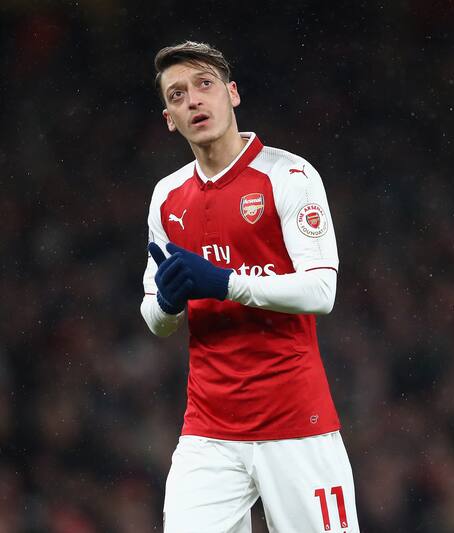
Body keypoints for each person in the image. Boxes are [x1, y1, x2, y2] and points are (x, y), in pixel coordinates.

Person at [139, 41, 359, 533]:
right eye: (178, 95)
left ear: (232, 95)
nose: (194, 100)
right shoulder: (167, 198)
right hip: (209, 432)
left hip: (295, 423)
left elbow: (322, 291)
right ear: (169, 118)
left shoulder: (289, 175)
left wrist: (226, 283)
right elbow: (154, 316)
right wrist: (171, 304)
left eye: (204, 85)